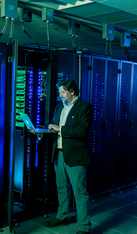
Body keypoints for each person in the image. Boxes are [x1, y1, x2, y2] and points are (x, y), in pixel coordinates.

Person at [31, 79, 92, 234]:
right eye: (60, 92)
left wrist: (60, 128)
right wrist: (40, 133)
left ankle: (84, 227)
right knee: (61, 188)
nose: (60, 95)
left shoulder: (85, 107)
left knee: (79, 192)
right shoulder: (59, 107)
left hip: (75, 156)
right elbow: (53, 128)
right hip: (59, 154)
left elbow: (82, 131)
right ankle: (62, 217)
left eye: (63, 92)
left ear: (72, 92)